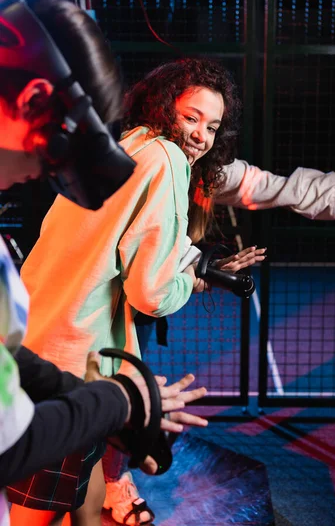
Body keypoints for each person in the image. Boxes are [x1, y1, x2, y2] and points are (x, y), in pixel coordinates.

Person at [10, 57, 249, 525]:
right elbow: (151, 293)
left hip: (40, 330)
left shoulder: (128, 146)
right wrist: (189, 281)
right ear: (165, 108)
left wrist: (189, 260)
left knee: (88, 468)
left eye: (213, 126)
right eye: (191, 117)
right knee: (35, 510)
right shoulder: (168, 161)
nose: (201, 134)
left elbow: (120, 235)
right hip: (71, 355)